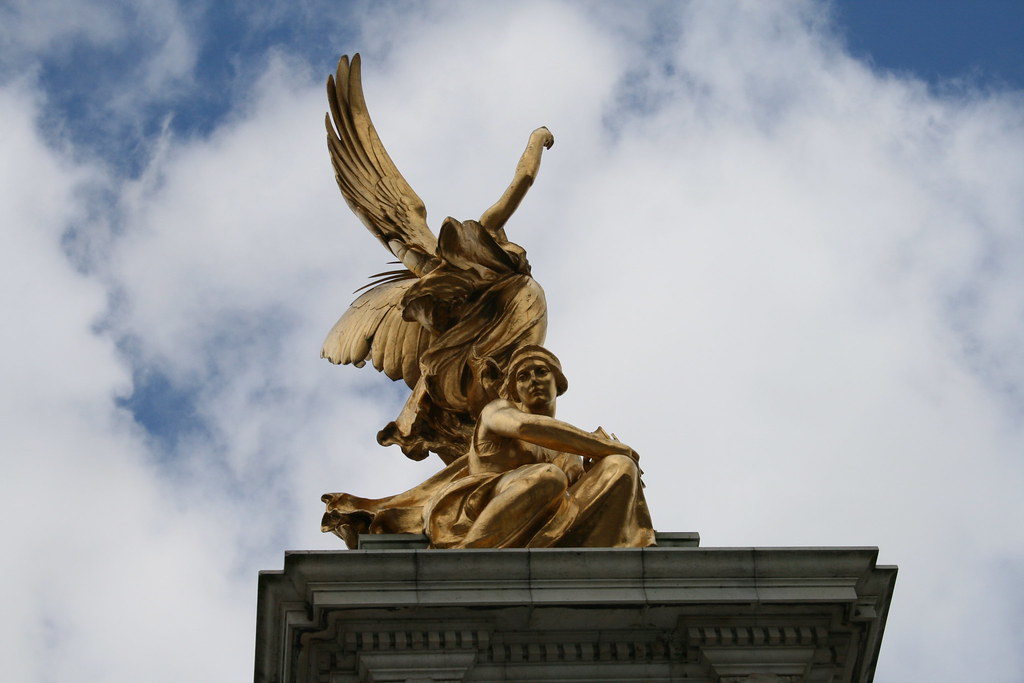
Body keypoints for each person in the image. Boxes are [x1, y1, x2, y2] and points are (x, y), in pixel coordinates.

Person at [423, 345, 655, 548]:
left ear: (559, 383)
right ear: (515, 390)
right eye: (522, 376)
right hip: (485, 508)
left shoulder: (568, 453)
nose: (532, 379)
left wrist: (595, 466)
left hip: (557, 517)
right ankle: (471, 552)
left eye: (541, 372)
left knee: (621, 465)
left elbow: (576, 492)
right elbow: (526, 427)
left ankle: (584, 555)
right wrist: (601, 446)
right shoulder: (497, 411)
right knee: (549, 477)